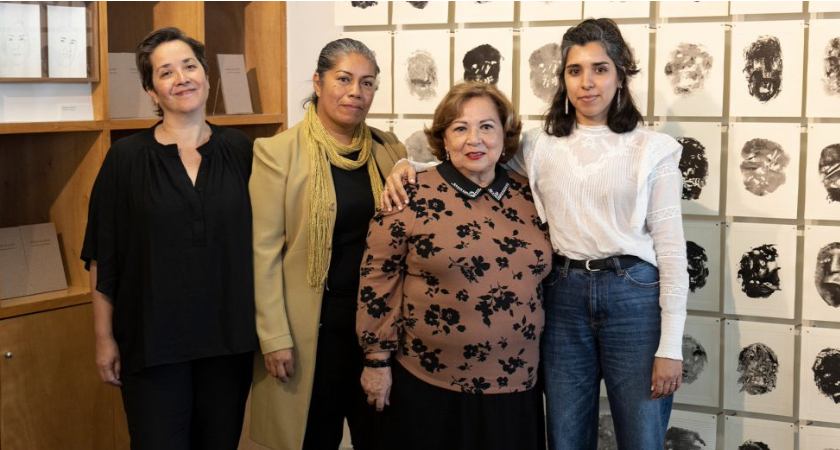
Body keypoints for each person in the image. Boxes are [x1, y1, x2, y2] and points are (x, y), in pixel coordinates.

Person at [382, 18, 688, 450]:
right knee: (564, 437)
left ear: (621, 76)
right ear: (563, 79)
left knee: (641, 437)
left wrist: (670, 346)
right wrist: (410, 166)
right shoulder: (539, 144)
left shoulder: (653, 150)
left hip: (633, 297)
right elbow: (476, 156)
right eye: (575, 70)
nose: (587, 82)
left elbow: (672, 251)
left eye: (600, 69)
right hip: (562, 297)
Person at [82, 27, 257, 450]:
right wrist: (104, 339)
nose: (181, 78)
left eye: (189, 66)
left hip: (227, 341)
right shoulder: (125, 159)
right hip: (151, 344)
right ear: (151, 91)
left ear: (207, 76)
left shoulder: (243, 151)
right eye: (165, 72)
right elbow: (103, 255)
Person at [358, 82, 551, 450]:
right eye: (460, 128)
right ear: (443, 138)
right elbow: (377, 279)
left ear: (505, 135)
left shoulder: (531, 195)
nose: (474, 139)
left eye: (487, 126)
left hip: (517, 385)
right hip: (429, 385)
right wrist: (376, 361)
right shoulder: (409, 193)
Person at [249, 38, 406, 450]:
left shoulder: (389, 150)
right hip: (311, 331)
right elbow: (264, 254)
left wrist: (409, 163)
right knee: (314, 438)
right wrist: (274, 337)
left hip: (376, 328)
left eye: (367, 83)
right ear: (318, 83)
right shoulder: (277, 153)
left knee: (381, 437)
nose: (356, 92)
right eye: (344, 79)